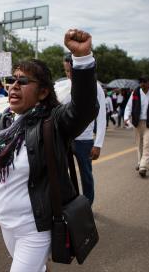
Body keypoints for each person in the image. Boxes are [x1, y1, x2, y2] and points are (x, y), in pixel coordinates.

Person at [0, 29, 98, 272]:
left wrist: (82, 59)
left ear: (43, 92)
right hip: (5, 224)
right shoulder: (4, 123)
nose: (13, 86)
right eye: (12, 80)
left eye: (23, 81)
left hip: (34, 229)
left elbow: (84, 107)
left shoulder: (54, 122)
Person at [58, 53, 106, 206]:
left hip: (84, 141)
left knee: (86, 175)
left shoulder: (95, 87)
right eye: (66, 71)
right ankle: (70, 206)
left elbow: (102, 116)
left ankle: (87, 206)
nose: (69, 75)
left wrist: (98, 144)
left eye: (71, 71)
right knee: (62, 175)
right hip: (65, 139)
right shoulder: (63, 86)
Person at [124, 76, 149, 177]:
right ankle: (140, 162)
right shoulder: (136, 92)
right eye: (140, 82)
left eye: (144, 82)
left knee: (147, 144)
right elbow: (129, 106)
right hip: (137, 122)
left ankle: (143, 166)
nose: (142, 84)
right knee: (139, 144)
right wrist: (126, 117)